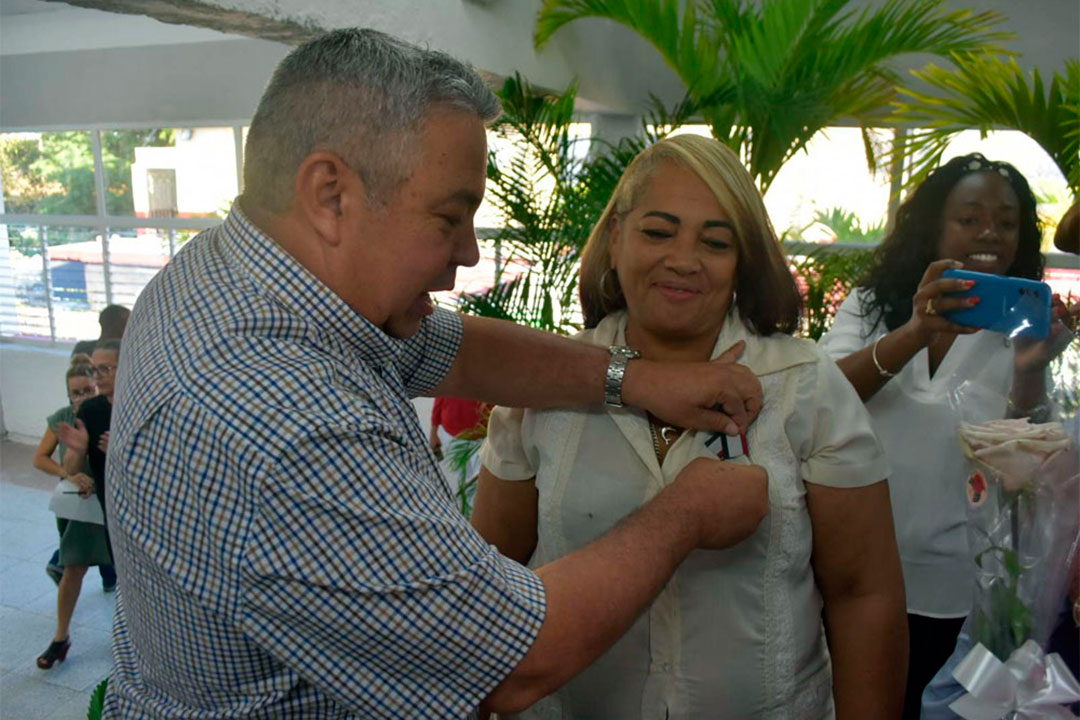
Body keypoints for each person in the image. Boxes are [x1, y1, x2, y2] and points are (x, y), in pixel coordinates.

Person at [101, 29, 770, 718]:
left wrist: (634, 379)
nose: (471, 254)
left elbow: (457, 349)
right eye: (451, 217)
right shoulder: (288, 426)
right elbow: (513, 659)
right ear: (331, 194)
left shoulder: (236, 273)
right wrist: (687, 512)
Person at [472, 134, 907, 719]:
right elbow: (492, 576)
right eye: (658, 231)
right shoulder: (544, 389)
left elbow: (863, 596)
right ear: (616, 237)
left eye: (715, 241)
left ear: (742, 260)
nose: (683, 258)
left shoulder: (806, 387)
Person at [818, 153, 1078, 717]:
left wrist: (1029, 371)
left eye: (1007, 222)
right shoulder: (872, 308)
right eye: (970, 217)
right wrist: (914, 332)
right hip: (855, 574)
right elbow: (820, 398)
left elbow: (1027, 466)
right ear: (934, 225)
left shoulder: (1018, 332)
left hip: (960, 593)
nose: (990, 232)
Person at [33, 355, 113, 669]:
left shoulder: (107, 414)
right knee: (73, 568)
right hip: (80, 505)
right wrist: (71, 472)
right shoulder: (64, 418)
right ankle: (60, 636)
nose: (80, 398)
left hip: (109, 501)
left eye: (86, 391)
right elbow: (43, 459)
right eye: (75, 393)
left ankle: (128, 638)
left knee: (121, 574)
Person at [430, 395, 489, 491]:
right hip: (452, 435)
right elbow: (439, 399)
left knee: (480, 478)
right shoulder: (448, 380)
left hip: (480, 436)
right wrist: (433, 433)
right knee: (462, 475)